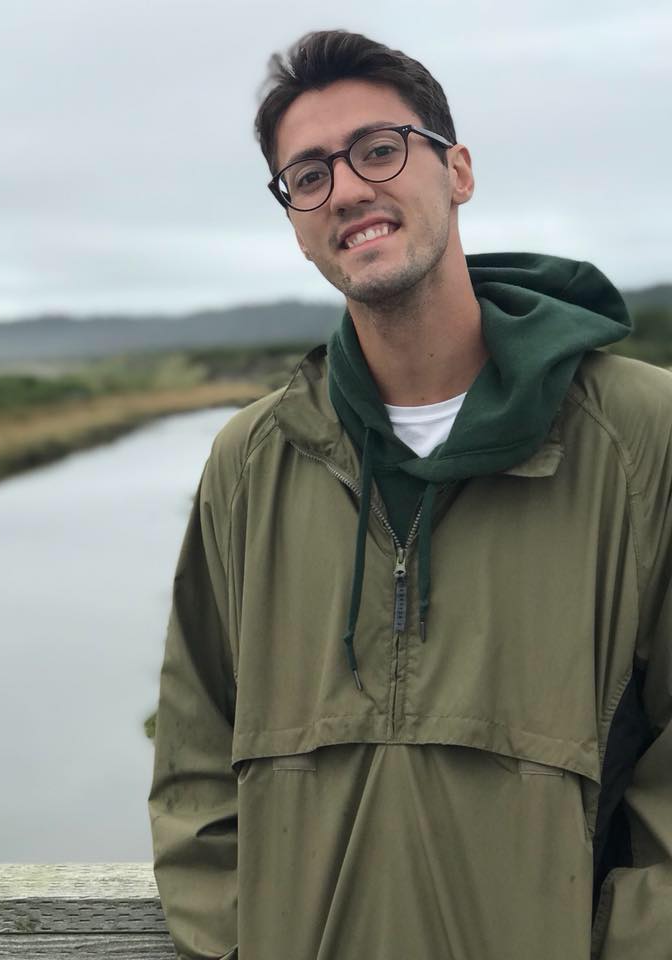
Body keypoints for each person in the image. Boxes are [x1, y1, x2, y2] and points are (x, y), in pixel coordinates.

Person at [147, 29, 672, 960]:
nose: (346, 189)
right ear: (296, 217)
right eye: (307, 176)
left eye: (379, 149)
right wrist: (234, 942)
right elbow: (195, 762)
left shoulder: (641, 435)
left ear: (457, 169)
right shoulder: (251, 461)